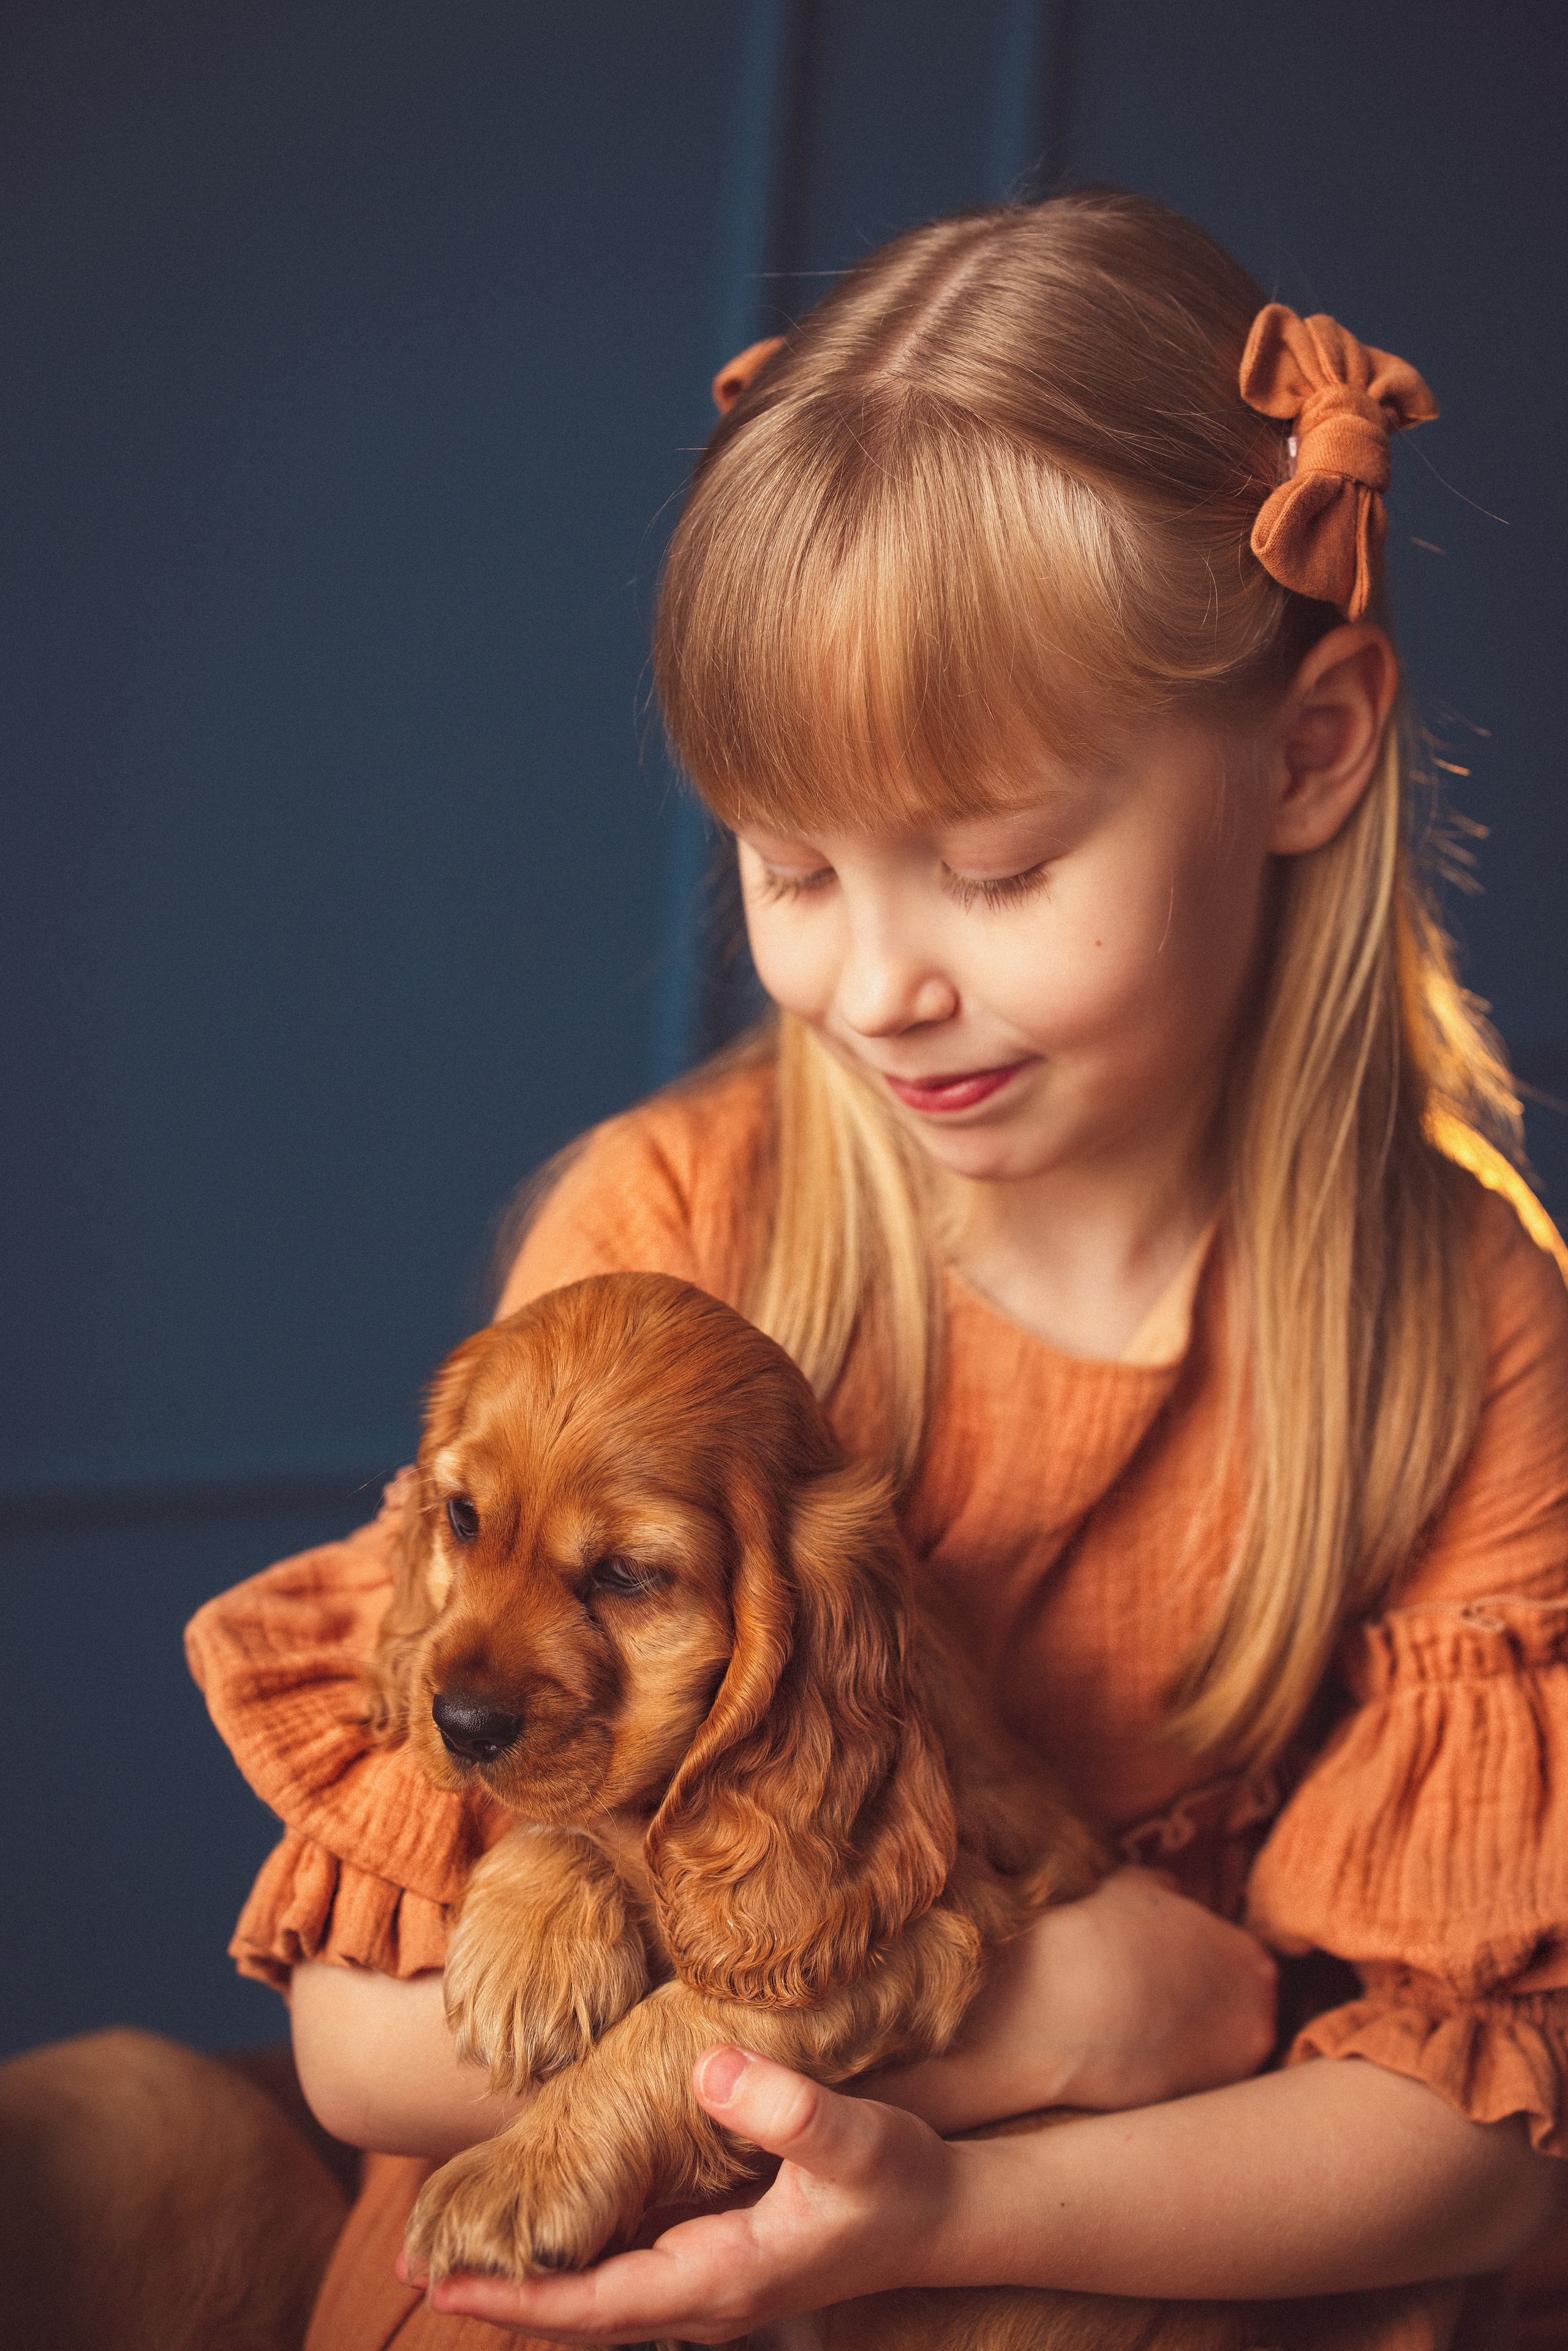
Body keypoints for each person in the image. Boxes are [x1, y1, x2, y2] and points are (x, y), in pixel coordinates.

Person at [179, 189, 1568, 2350]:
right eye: (794, 867)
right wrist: (1055, 2022)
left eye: (1002, 868)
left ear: (1309, 751)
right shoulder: (670, 1236)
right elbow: (373, 2047)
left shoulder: (1463, 1333)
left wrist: (930, 2218)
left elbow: (1482, 2136)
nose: (884, 981)